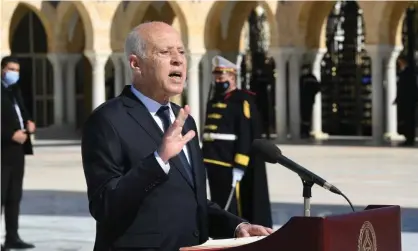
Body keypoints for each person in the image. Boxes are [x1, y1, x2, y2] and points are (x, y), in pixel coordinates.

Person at [81, 21, 273, 251]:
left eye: (181, 52)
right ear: (136, 64)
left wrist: (236, 226)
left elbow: (191, 201)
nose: (178, 59)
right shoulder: (107, 120)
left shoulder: (183, 119)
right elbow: (104, 205)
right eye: (165, 52)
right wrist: (158, 160)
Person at [202, 55, 272, 228]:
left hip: (229, 160)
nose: (218, 81)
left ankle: (235, 228)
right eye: (216, 77)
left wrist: (240, 164)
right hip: (212, 159)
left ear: (232, 78)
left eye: (222, 77)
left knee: (233, 203)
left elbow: (245, 134)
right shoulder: (214, 99)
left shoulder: (242, 100)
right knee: (218, 199)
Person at [1, 56, 36, 250]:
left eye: (17, 70)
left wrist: (29, 123)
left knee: (14, 196)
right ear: (2, 70)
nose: (14, 74)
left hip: (17, 152)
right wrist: (9, 135)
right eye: (11, 69)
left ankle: (12, 237)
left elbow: (21, 113)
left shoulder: (14, 91)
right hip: (3, 151)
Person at [394, 55, 417, 146]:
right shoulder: (405, 72)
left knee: (409, 120)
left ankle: (409, 139)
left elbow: (408, 88)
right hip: (406, 101)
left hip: (408, 101)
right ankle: (408, 138)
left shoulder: (408, 73)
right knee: (406, 120)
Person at [299, 64, 320, 138]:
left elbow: (317, 88)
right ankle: (305, 132)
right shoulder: (311, 78)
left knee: (306, 116)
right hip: (306, 99)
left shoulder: (305, 78)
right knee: (305, 116)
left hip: (306, 99)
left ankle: (305, 132)